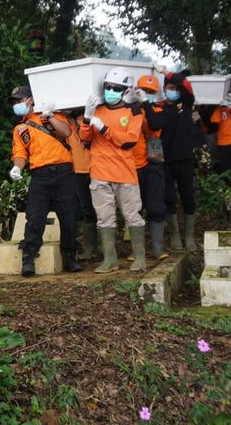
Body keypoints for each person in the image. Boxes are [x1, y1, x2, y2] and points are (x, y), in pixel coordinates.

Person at [79, 68, 147, 272]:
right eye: (107, 87)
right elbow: (84, 139)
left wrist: (104, 129)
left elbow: (129, 141)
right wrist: (87, 118)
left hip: (124, 173)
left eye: (116, 88)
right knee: (104, 217)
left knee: (132, 214)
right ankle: (110, 260)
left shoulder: (134, 112)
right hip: (99, 172)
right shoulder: (97, 109)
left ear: (126, 90)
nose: (110, 91)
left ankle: (141, 258)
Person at [8, 86, 81, 275]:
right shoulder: (21, 128)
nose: (17, 105)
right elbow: (20, 153)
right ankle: (28, 259)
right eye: (15, 102)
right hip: (39, 175)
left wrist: (50, 116)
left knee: (68, 215)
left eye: (20, 100)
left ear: (30, 100)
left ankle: (70, 257)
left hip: (63, 172)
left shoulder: (52, 115)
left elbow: (66, 132)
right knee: (35, 216)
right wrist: (17, 167)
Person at [157, 71, 200, 252]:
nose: (172, 91)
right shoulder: (159, 107)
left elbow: (186, 85)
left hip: (184, 158)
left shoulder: (186, 104)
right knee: (168, 198)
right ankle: (175, 235)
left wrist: (168, 73)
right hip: (165, 160)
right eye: (169, 88)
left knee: (188, 197)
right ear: (164, 89)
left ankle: (189, 236)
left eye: (175, 88)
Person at [129, 74, 169, 260]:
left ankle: (158, 248)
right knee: (134, 208)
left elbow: (156, 123)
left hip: (153, 163)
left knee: (155, 206)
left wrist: (145, 103)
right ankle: (136, 250)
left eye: (151, 92)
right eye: (144, 91)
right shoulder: (129, 108)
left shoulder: (158, 110)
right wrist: (132, 103)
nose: (147, 94)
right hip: (132, 165)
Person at [65, 109, 97, 260]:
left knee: (102, 209)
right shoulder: (66, 122)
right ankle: (92, 249)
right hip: (77, 171)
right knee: (86, 210)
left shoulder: (92, 117)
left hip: (96, 169)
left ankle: (105, 248)